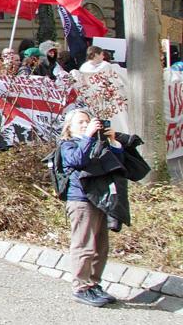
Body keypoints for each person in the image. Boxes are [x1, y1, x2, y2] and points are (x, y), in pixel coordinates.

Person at [57, 110, 122, 307]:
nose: (86, 125)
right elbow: (77, 160)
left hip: (100, 199)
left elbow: (116, 165)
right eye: (81, 122)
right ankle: (81, 287)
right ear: (69, 127)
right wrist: (87, 136)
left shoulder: (96, 144)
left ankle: (93, 284)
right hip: (80, 200)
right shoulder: (67, 145)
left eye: (88, 121)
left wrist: (114, 142)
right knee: (83, 245)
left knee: (100, 247)